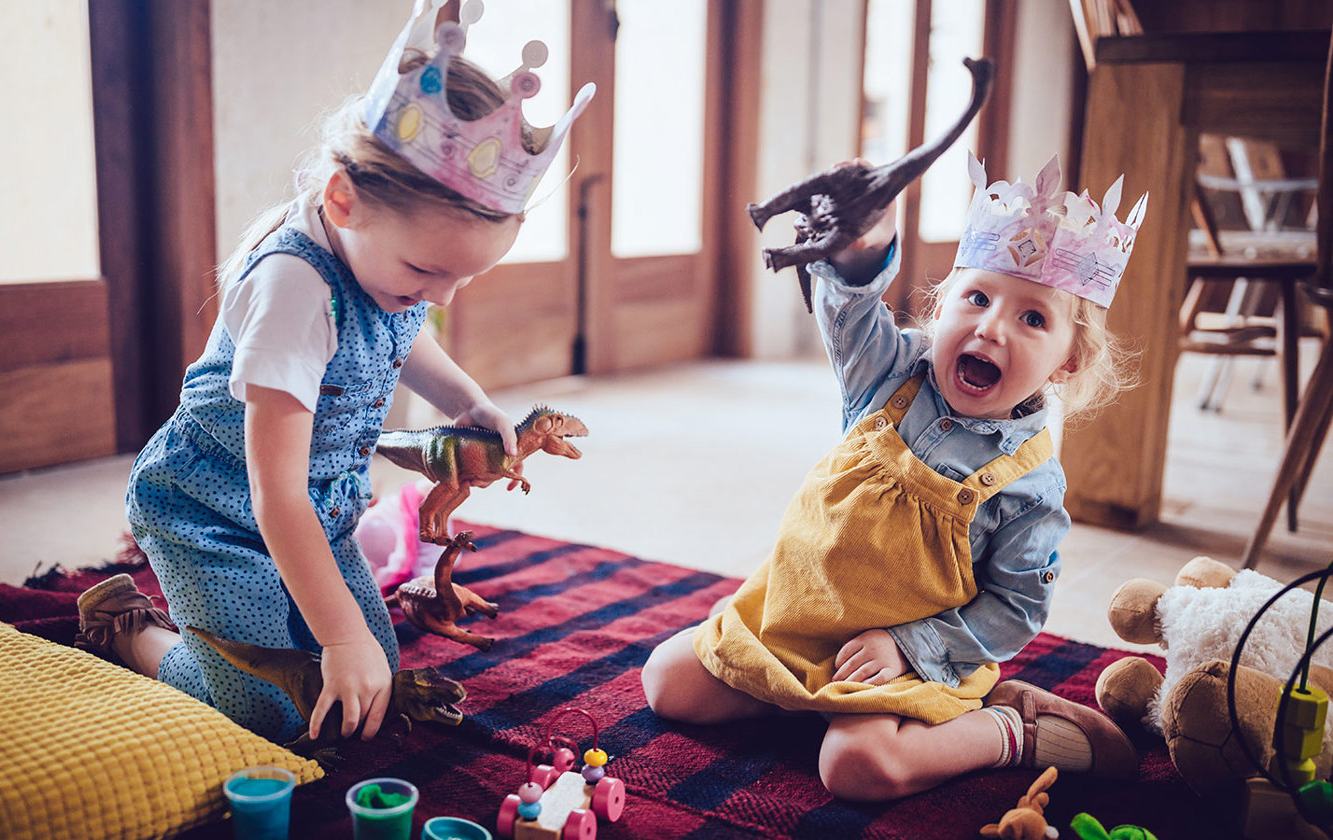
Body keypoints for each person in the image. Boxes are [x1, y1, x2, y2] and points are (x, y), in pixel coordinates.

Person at [73, 0, 593, 745]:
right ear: (343, 201)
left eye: (461, 279)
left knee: (368, 675)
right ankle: (132, 630)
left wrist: (469, 400)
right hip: (213, 516)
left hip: (320, 512)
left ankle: (291, 632)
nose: (441, 297)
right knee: (272, 709)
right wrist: (337, 637)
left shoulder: (386, 270)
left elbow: (403, 334)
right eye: (425, 271)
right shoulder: (295, 288)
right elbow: (271, 492)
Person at [641, 154, 1147, 801]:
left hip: (903, 658)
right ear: (944, 305)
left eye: (1032, 318)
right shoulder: (890, 375)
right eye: (978, 297)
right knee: (667, 681)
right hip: (798, 623)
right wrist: (865, 242)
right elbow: (849, 311)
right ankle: (799, 697)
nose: (991, 327)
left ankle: (1006, 728)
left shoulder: (1030, 487)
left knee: (858, 769)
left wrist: (909, 648)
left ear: (1067, 363)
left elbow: (1015, 609)